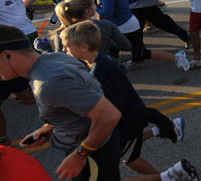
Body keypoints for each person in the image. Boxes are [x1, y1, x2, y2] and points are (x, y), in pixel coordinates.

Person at [59, 21, 195, 180]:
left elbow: (112, 107)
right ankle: (170, 171)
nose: (64, 50)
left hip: (127, 124)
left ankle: (175, 175)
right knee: (126, 158)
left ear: (83, 47)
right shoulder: (102, 59)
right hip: (128, 120)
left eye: (67, 46)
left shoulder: (99, 70)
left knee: (126, 159)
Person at [1, 25, 122, 181]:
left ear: (8, 55)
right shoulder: (54, 58)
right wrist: (49, 127)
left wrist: (81, 154)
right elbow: (79, 100)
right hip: (92, 144)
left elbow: (109, 115)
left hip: (92, 152)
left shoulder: (48, 84)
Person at [0, 0, 40, 146]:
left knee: (20, 72)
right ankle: (25, 92)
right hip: (26, 30)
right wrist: (19, 10)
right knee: (26, 72)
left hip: (6, 40)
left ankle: (3, 140)